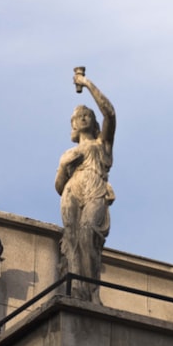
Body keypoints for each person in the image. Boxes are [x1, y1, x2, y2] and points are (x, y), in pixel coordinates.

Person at [55, 70, 116, 303]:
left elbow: (110, 113)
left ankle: (92, 292)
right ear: (73, 124)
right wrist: (63, 166)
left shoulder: (102, 144)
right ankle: (76, 290)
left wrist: (86, 84)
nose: (82, 117)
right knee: (71, 239)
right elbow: (59, 186)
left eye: (86, 114)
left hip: (95, 189)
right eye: (77, 116)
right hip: (72, 192)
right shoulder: (69, 154)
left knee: (88, 233)